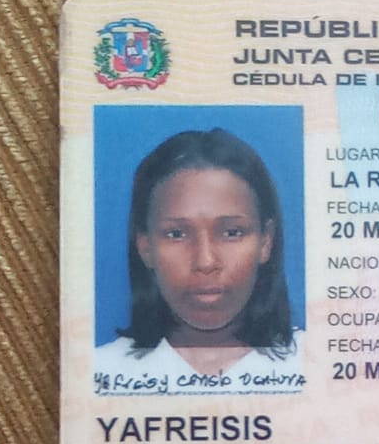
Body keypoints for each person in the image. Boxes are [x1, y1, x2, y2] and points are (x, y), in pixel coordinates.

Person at [95, 128, 304, 394]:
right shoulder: (100, 376)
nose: (205, 262)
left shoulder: (321, 367)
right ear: (145, 246)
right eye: (177, 234)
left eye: (232, 232)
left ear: (266, 242)